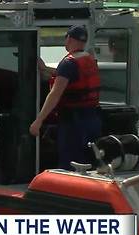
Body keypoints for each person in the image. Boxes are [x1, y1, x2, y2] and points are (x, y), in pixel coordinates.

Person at [30, 25, 101, 170]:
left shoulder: (68, 63)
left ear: (68, 38)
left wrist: (38, 120)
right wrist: (43, 69)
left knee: (70, 161)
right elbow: (66, 76)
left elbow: (55, 94)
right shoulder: (89, 59)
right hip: (92, 119)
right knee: (88, 158)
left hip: (73, 123)